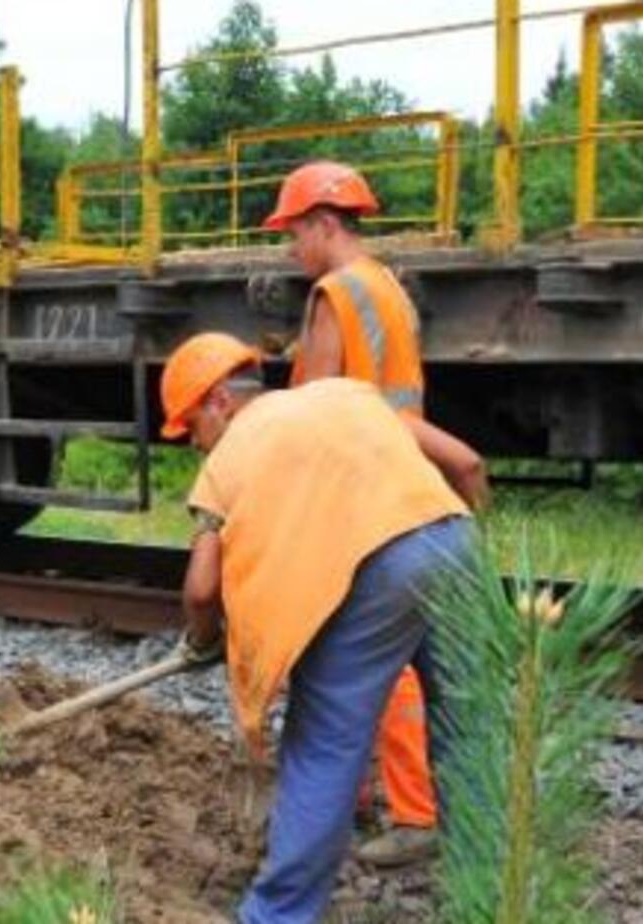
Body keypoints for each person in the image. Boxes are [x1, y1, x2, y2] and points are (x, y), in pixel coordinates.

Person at [160, 332, 488, 924]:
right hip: (454, 541)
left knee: (323, 747)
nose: (196, 449)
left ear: (217, 403)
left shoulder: (230, 457)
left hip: (381, 570)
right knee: (466, 730)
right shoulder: (346, 395)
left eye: (191, 432)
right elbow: (466, 463)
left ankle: (276, 915)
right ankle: (489, 894)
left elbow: (201, 589)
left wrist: (201, 642)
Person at [265, 160, 437, 866]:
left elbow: (319, 410)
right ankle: (367, 799)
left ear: (325, 225)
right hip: (401, 478)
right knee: (376, 648)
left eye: (295, 234)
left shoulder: (334, 293)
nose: (291, 251)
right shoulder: (388, 286)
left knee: (370, 653)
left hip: (357, 491)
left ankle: (413, 813)